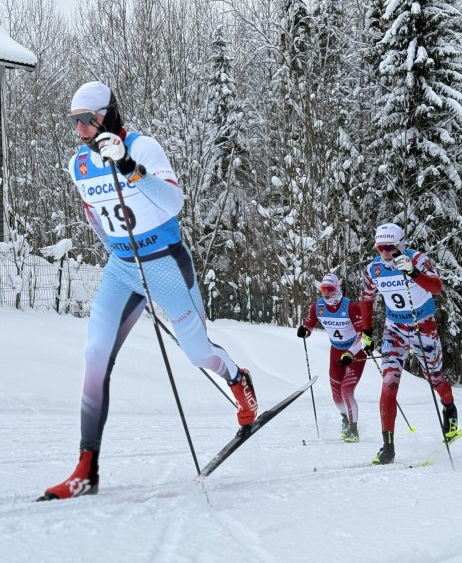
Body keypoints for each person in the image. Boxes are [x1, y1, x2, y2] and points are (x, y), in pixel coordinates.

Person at [40, 81, 258, 500]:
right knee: (95, 357)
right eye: (74, 121)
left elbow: (173, 202)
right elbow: (94, 217)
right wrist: (115, 248)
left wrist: (129, 168)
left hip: (165, 264)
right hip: (123, 268)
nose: (81, 129)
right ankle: (86, 469)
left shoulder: (143, 147)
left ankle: (237, 377)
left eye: (88, 119)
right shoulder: (78, 164)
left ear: (109, 114)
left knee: (197, 353)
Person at [359, 223, 458, 465]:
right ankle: (387, 447)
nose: (385, 253)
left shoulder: (417, 259)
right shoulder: (374, 269)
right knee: (388, 384)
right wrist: (367, 333)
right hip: (394, 329)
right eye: (380, 248)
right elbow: (366, 299)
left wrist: (414, 273)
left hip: (422, 325)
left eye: (390, 247)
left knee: (435, 378)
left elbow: (437, 287)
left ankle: (449, 407)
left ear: (400, 245)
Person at [297, 273, 365, 442]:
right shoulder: (317, 306)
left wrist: (351, 353)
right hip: (335, 352)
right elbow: (309, 326)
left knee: (346, 390)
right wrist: (304, 331)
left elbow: (362, 335)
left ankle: (353, 430)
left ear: (337, 289)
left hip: (354, 353)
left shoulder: (350, 306)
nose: (326, 293)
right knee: (336, 394)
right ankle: (345, 420)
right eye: (323, 289)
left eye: (330, 289)